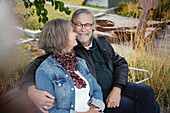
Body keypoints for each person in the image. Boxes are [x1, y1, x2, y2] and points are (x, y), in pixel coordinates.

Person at [20, 9, 160, 113]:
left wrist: (117, 88)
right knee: (146, 105)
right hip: (97, 95)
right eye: (78, 25)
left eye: (87, 25)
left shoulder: (101, 41)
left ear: (92, 26)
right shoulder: (69, 48)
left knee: (146, 91)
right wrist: (30, 89)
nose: (82, 30)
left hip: (113, 87)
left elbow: (120, 62)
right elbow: (38, 65)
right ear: (72, 26)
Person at [34, 18, 105, 113]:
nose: (76, 33)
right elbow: (49, 110)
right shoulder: (45, 71)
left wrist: (95, 107)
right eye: (72, 31)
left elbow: (97, 90)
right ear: (61, 37)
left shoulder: (80, 62)